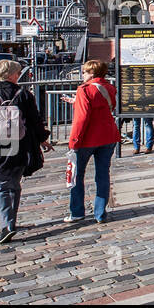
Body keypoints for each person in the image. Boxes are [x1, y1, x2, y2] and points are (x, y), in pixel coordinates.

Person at [0, 59, 54, 244]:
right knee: (14, 183)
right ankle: (10, 222)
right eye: (18, 72)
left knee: (0, 185)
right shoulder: (23, 94)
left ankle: (7, 226)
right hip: (20, 145)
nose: (19, 75)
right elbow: (35, 120)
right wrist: (42, 140)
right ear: (12, 74)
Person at [66, 59, 121, 223]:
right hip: (108, 136)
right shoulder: (109, 88)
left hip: (87, 138)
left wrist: (74, 140)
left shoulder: (84, 90)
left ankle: (77, 211)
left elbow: (81, 119)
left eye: (84, 72)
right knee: (103, 174)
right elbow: (104, 106)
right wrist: (77, 102)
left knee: (77, 175)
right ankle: (100, 212)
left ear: (91, 73)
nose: (82, 75)